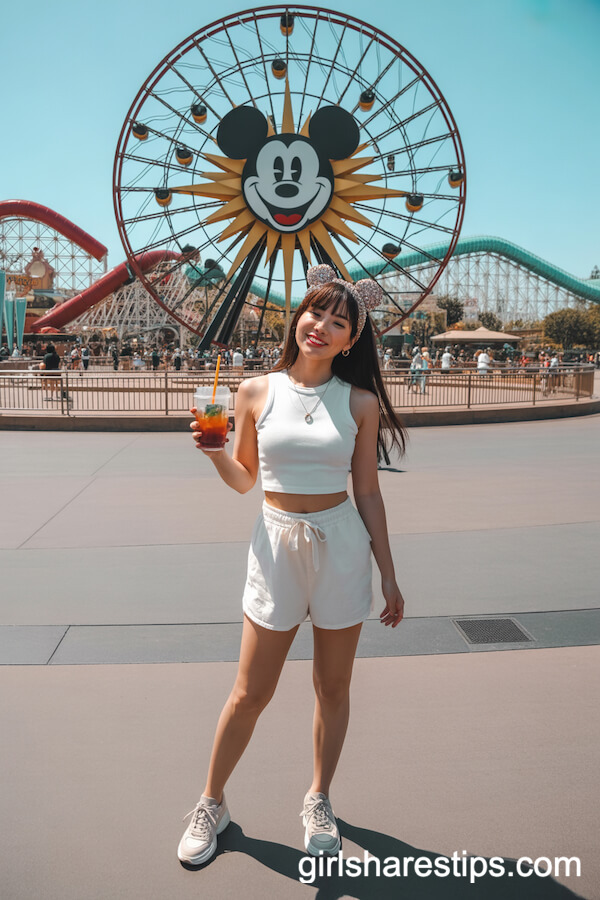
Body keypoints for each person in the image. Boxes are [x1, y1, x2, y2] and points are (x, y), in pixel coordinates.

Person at [178, 265, 407, 866]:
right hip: (276, 540)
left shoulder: (359, 403)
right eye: (316, 314)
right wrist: (214, 454)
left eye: (339, 321)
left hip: (342, 544)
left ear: (351, 339)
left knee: (332, 687)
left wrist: (388, 571)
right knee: (250, 691)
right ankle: (211, 800)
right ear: (298, 317)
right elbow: (246, 481)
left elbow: (369, 493)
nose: (323, 327)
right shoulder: (255, 391)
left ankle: (319, 797)